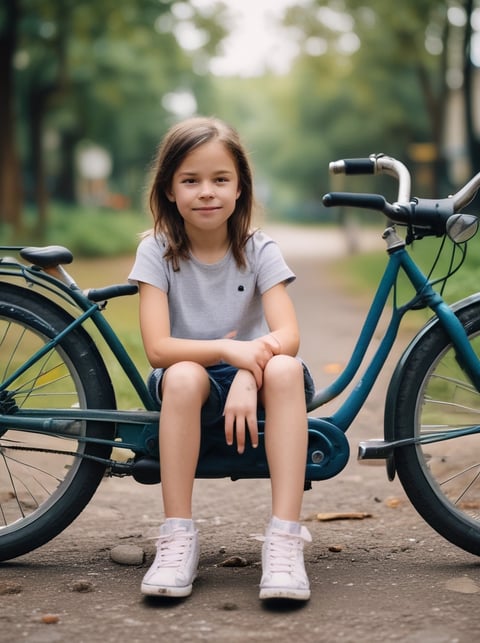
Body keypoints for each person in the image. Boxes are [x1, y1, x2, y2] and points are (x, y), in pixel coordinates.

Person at [128, 116, 315, 601]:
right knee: (187, 376)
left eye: (220, 179)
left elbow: (288, 335)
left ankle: (285, 538)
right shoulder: (157, 250)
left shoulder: (258, 249)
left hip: (261, 374)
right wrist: (227, 349)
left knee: (284, 366)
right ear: (169, 189)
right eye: (191, 180)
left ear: (239, 188)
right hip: (187, 376)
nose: (206, 192)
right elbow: (159, 349)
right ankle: (177, 537)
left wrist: (248, 374)